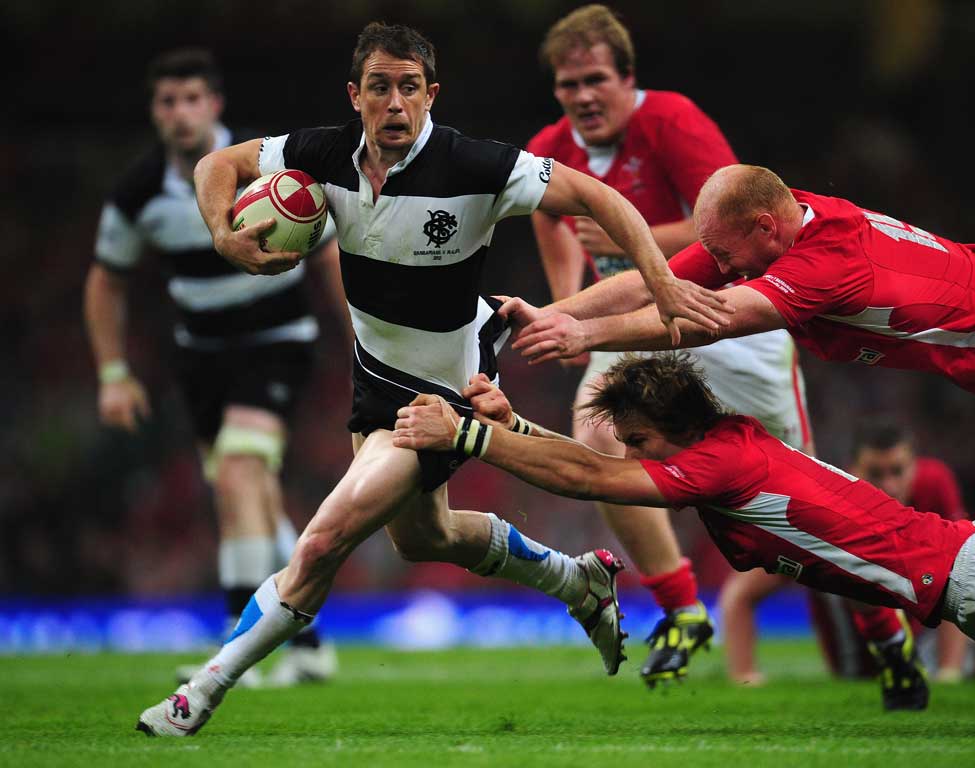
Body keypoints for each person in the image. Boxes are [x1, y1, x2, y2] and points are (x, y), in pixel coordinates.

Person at [136, 23, 730, 737]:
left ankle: (200, 693)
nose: (395, 103)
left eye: (409, 87)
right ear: (355, 96)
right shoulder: (321, 154)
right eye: (380, 87)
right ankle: (579, 580)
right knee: (425, 538)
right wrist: (223, 233)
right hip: (374, 375)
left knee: (324, 542)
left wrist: (661, 285)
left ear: (430, 95)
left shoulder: (477, 165)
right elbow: (216, 166)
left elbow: (603, 201)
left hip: (440, 389)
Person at [392, 353, 975, 678]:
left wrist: (467, 437)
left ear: (677, 430)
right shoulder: (725, 445)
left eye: (638, 441)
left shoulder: (720, 467)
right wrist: (515, 427)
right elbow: (593, 464)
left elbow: (589, 477)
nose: (631, 454)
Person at [500, 163, 975, 539]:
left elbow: (711, 319)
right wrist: (556, 314)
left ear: (765, 227)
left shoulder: (825, 264)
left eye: (725, 255)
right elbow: (653, 284)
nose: (722, 268)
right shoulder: (784, 215)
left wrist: (586, 336)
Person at [526, 4, 812, 686]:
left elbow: (732, 226)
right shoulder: (548, 149)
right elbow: (550, 219)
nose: (583, 97)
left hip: (719, 312)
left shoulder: (672, 120)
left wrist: (635, 238)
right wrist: (566, 305)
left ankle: (881, 621)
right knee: (594, 433)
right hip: (629, 324)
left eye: (596, 79)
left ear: (628, 78)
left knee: (800, 488)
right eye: (569, 86)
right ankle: (682, 607)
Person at [84, 48, 342, 688]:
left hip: (277, 340)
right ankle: (308, 645)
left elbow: (333, 256)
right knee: (247, 491)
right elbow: (105, 281)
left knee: (238, 473)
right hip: (200, 356)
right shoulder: (139, 193)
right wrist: (113, 371)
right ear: (154, 111)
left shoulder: (266, 172)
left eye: (192, 99)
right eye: (167, 101)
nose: (180, 113)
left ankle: (239, 649)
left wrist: (364, 340)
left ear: (215, 104)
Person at [720, 419, 967, 691]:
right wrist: (745, 676)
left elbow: (958, 577)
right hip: (852, 657)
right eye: (875, 473)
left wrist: (949, 672)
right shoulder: (823, 504)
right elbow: (739, 596)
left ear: (915, 467)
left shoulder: (934, 484)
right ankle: (878, 666)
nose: (890, 486)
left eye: (897, 471)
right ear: (851, 472)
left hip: (926, 639)